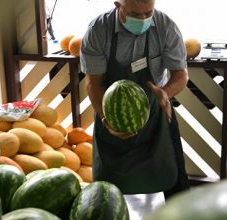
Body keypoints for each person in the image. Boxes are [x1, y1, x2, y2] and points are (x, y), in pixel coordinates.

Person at [80, 0, 190, 218]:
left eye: (148, 13)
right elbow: (94, 83)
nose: (142, 20)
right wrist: (107, 118)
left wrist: (165, 93)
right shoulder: (98, 30)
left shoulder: (166, 26)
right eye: (134, 14)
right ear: (117, 5)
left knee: (175, 184)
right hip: (110, 114)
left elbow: (181, 75)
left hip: (157, 110)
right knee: (105, 194)